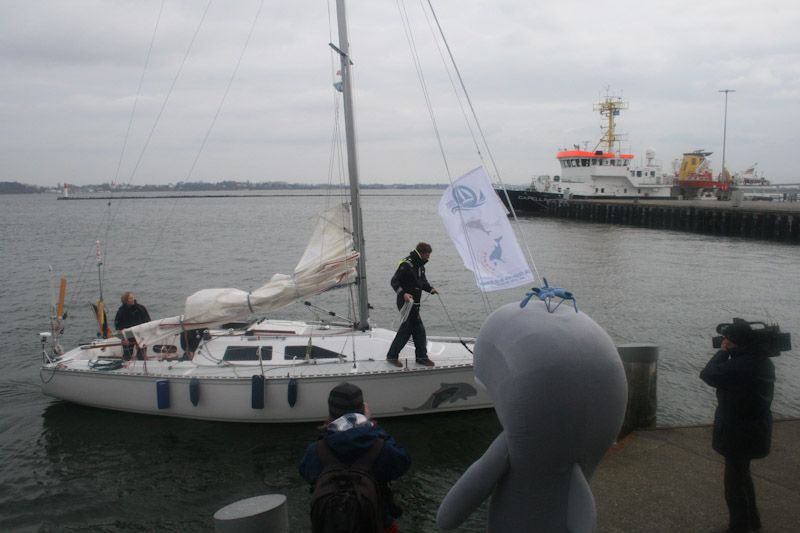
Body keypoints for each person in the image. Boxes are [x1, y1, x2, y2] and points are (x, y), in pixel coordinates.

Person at [299, 382, 410, 533]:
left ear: (331, 413)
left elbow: (306, 472)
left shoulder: (316, 450)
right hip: (378, 523)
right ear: (363, 410)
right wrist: (373, 426)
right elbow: (403, 462)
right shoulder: (380, 447)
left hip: (330, 525)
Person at [700, 320, 775, 533]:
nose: (724, 342)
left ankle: (739, 527)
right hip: (756, 428)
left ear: (734, 342)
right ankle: (752, 521)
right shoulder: (762, 361)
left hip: (738, 432)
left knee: (734, 483)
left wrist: (722, 352)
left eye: (727, 339)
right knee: (742, 476)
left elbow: (708, 374)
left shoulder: (740, 365)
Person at [386, 242, 437, 367]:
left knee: (417, 329)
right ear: (421, 254)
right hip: (405, 302)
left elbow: (422, 282)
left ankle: (421, 357)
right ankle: (392, 356)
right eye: (427, 255)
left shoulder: (420, 266)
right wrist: (403, 294)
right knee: (409, 329)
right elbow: (394, 282)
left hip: (415, 304)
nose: (428, 258)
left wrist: (430, 289)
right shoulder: (406, 264)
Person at [114, 291, 151, 361]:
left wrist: (147, 333)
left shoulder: (141, 308)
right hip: (128, 335)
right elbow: (117, 324)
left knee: (141, 356)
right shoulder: (121, 311)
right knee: (127, 356)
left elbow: (148, 320)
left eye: (132, 297)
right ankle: (126, 366)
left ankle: (142, 367)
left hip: (141, 334)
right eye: (130, 298)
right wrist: (123, 338)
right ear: (126, 300)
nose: (133, 299)